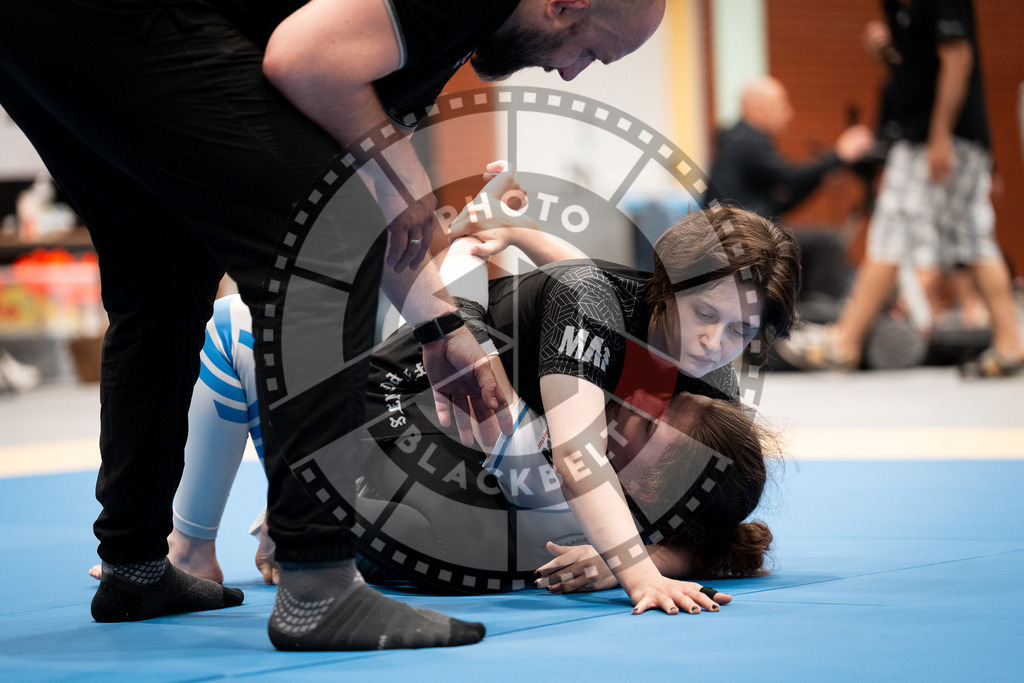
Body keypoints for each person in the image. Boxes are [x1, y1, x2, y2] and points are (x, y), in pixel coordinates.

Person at [0, 0, 669, 650]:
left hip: (44, 29)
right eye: (590, 49)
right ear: (563, 4)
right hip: (112, 18)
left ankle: (135, 569)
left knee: (162, 277)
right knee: (326, 239)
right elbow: (304, 60)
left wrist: (443, 333)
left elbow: (375, 192)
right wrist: (406, 175)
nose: (575, 72)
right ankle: (317, 582)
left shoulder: (419, 48)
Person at [88, 194, 784, 593]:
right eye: (708, 316)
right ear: (666, 290)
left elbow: (709, 522)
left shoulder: (709, 387)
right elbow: (588, 296)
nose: (715, 343)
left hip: (469, 438)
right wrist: (634, 570)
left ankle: (275, 520)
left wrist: (626, 564)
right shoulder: (594, 316)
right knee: (241, 326)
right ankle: (201, 542)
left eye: (742, 330)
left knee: (241, 330)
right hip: (451, 382)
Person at [778, 0, 1024, 376]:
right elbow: (919, 70)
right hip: (926, 137)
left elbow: (958, 59)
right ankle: (1010, 345)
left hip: (942, 140)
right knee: (974, 239)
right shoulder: (895, 4)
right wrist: (889, 53)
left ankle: (844, 343)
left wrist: (941, 135)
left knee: (892, 230)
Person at [704, 76, 875, 221]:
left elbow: (783, 199)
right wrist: (839, 155)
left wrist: (822, 172)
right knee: (828, 244)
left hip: (743, 234)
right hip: (738, 242)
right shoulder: (745, 141)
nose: (789, 113)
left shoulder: (738, 138)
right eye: (781, 105)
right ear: (757, 107)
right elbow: (790, 177)